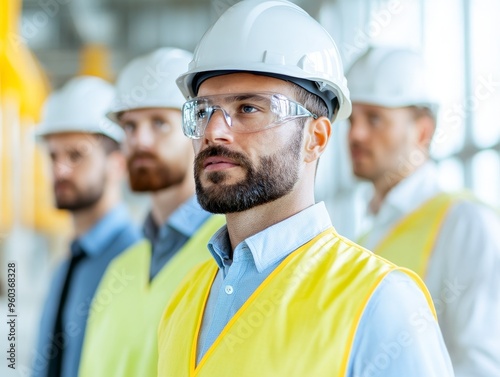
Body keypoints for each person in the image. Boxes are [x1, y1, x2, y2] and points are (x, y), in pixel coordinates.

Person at [157, 1, 454, 376]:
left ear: (316, 137)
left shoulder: (380, 302)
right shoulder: (185, 298)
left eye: (248, 108)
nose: (215, 131)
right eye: (203, 111)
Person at [347, 46, 500, 376]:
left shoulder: (466, 223)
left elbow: (483, 365)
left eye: (374, 118)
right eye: (352, 119)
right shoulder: (368, 235)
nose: (355, 134)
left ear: (422, 132)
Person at [78, 48, 224, 377]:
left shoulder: (225, 255)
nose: (140, 141)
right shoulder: (121, 269)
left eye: (159, 123)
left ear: (197, 127)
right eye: (129, 127)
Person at [32, 76, 141, 377]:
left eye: (75, 155)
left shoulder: (134, 261)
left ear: (117, 164)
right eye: (53, 156)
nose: (59, 169)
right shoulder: (68, 262)